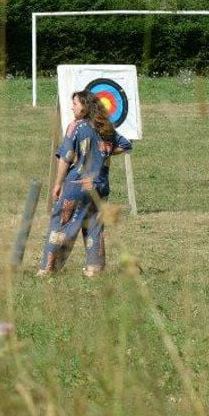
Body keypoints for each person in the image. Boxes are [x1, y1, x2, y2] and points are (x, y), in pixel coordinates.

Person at [38, 90, 132, 277]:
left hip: (77, 185)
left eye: (75, 104)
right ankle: (94, 269)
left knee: (60, 224)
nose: (72, 107)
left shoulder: (76, 127)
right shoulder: (105, 127)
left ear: (85, 107)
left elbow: (65, 157)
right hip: (100, 186)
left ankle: (47, 269)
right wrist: (104, 152)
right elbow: (125, 145)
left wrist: (58, 184)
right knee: (95, 227)